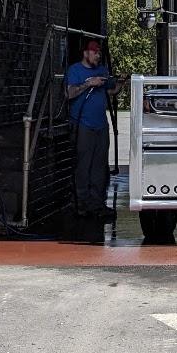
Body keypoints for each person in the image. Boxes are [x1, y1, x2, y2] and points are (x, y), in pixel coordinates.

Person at [65, 38, 119, 232]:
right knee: (83, 166)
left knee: (99, 167)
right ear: (86, 53)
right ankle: (82, 205)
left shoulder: (102, 70)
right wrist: (88, 84)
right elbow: (69, 93)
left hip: (101, 126)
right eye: (95, 52)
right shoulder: (75, 71)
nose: (98, 55)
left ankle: (98, 204)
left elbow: (111, 91)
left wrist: (119, 84)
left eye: (99, 53)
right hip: (83, 125)